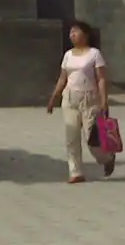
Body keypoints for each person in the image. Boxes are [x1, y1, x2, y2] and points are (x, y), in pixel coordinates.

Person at [47, 20, 116, 183]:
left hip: (90, 100)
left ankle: (107, 158)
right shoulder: (68, 55)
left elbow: (101, 79)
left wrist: (104, 100)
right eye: (71, 32)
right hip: (70, 99)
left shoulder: (94, 54)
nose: (72, 35)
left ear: (86, 35)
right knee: (71, 138)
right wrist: (54, 98)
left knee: (92, 140)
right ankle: (76, 172)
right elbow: (62, 78)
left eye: (75, 31)